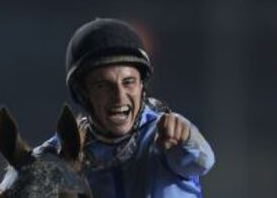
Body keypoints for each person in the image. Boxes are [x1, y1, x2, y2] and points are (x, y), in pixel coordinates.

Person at [45, 18, 215, 198]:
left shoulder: (164, 134)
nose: (119, 96)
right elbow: (27, 170)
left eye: (129, 82)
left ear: (142, 85)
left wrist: (186, 137)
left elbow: (202, 161)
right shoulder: (64, 149)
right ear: (83, 93)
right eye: (103, 85)